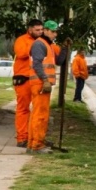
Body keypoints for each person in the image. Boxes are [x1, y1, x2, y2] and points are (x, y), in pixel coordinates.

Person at [27, 20, 68, 154]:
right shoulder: (39, 44)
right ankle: (37, 145)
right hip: (40, 84)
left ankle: (34, 142)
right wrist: (45, 80)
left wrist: (65, 48)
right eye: (53, 31)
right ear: (45, 31)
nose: (55, 34)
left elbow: (59, 61)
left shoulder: (48, 45)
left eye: (56, 32)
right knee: (40, 115)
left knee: (38, 115)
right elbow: (37, 64)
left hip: (43, 84)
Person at [12, 18, 44, 148]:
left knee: (38, 110)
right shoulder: (22, 40)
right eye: (37, 30)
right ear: (30, 29)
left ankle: (35, 137)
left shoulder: (42, 41)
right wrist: (36, 46)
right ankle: (22, 138)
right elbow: (21, 53)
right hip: (24, 78)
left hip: (37, 79)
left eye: (41, 30)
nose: (40, 32)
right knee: (23, 109)